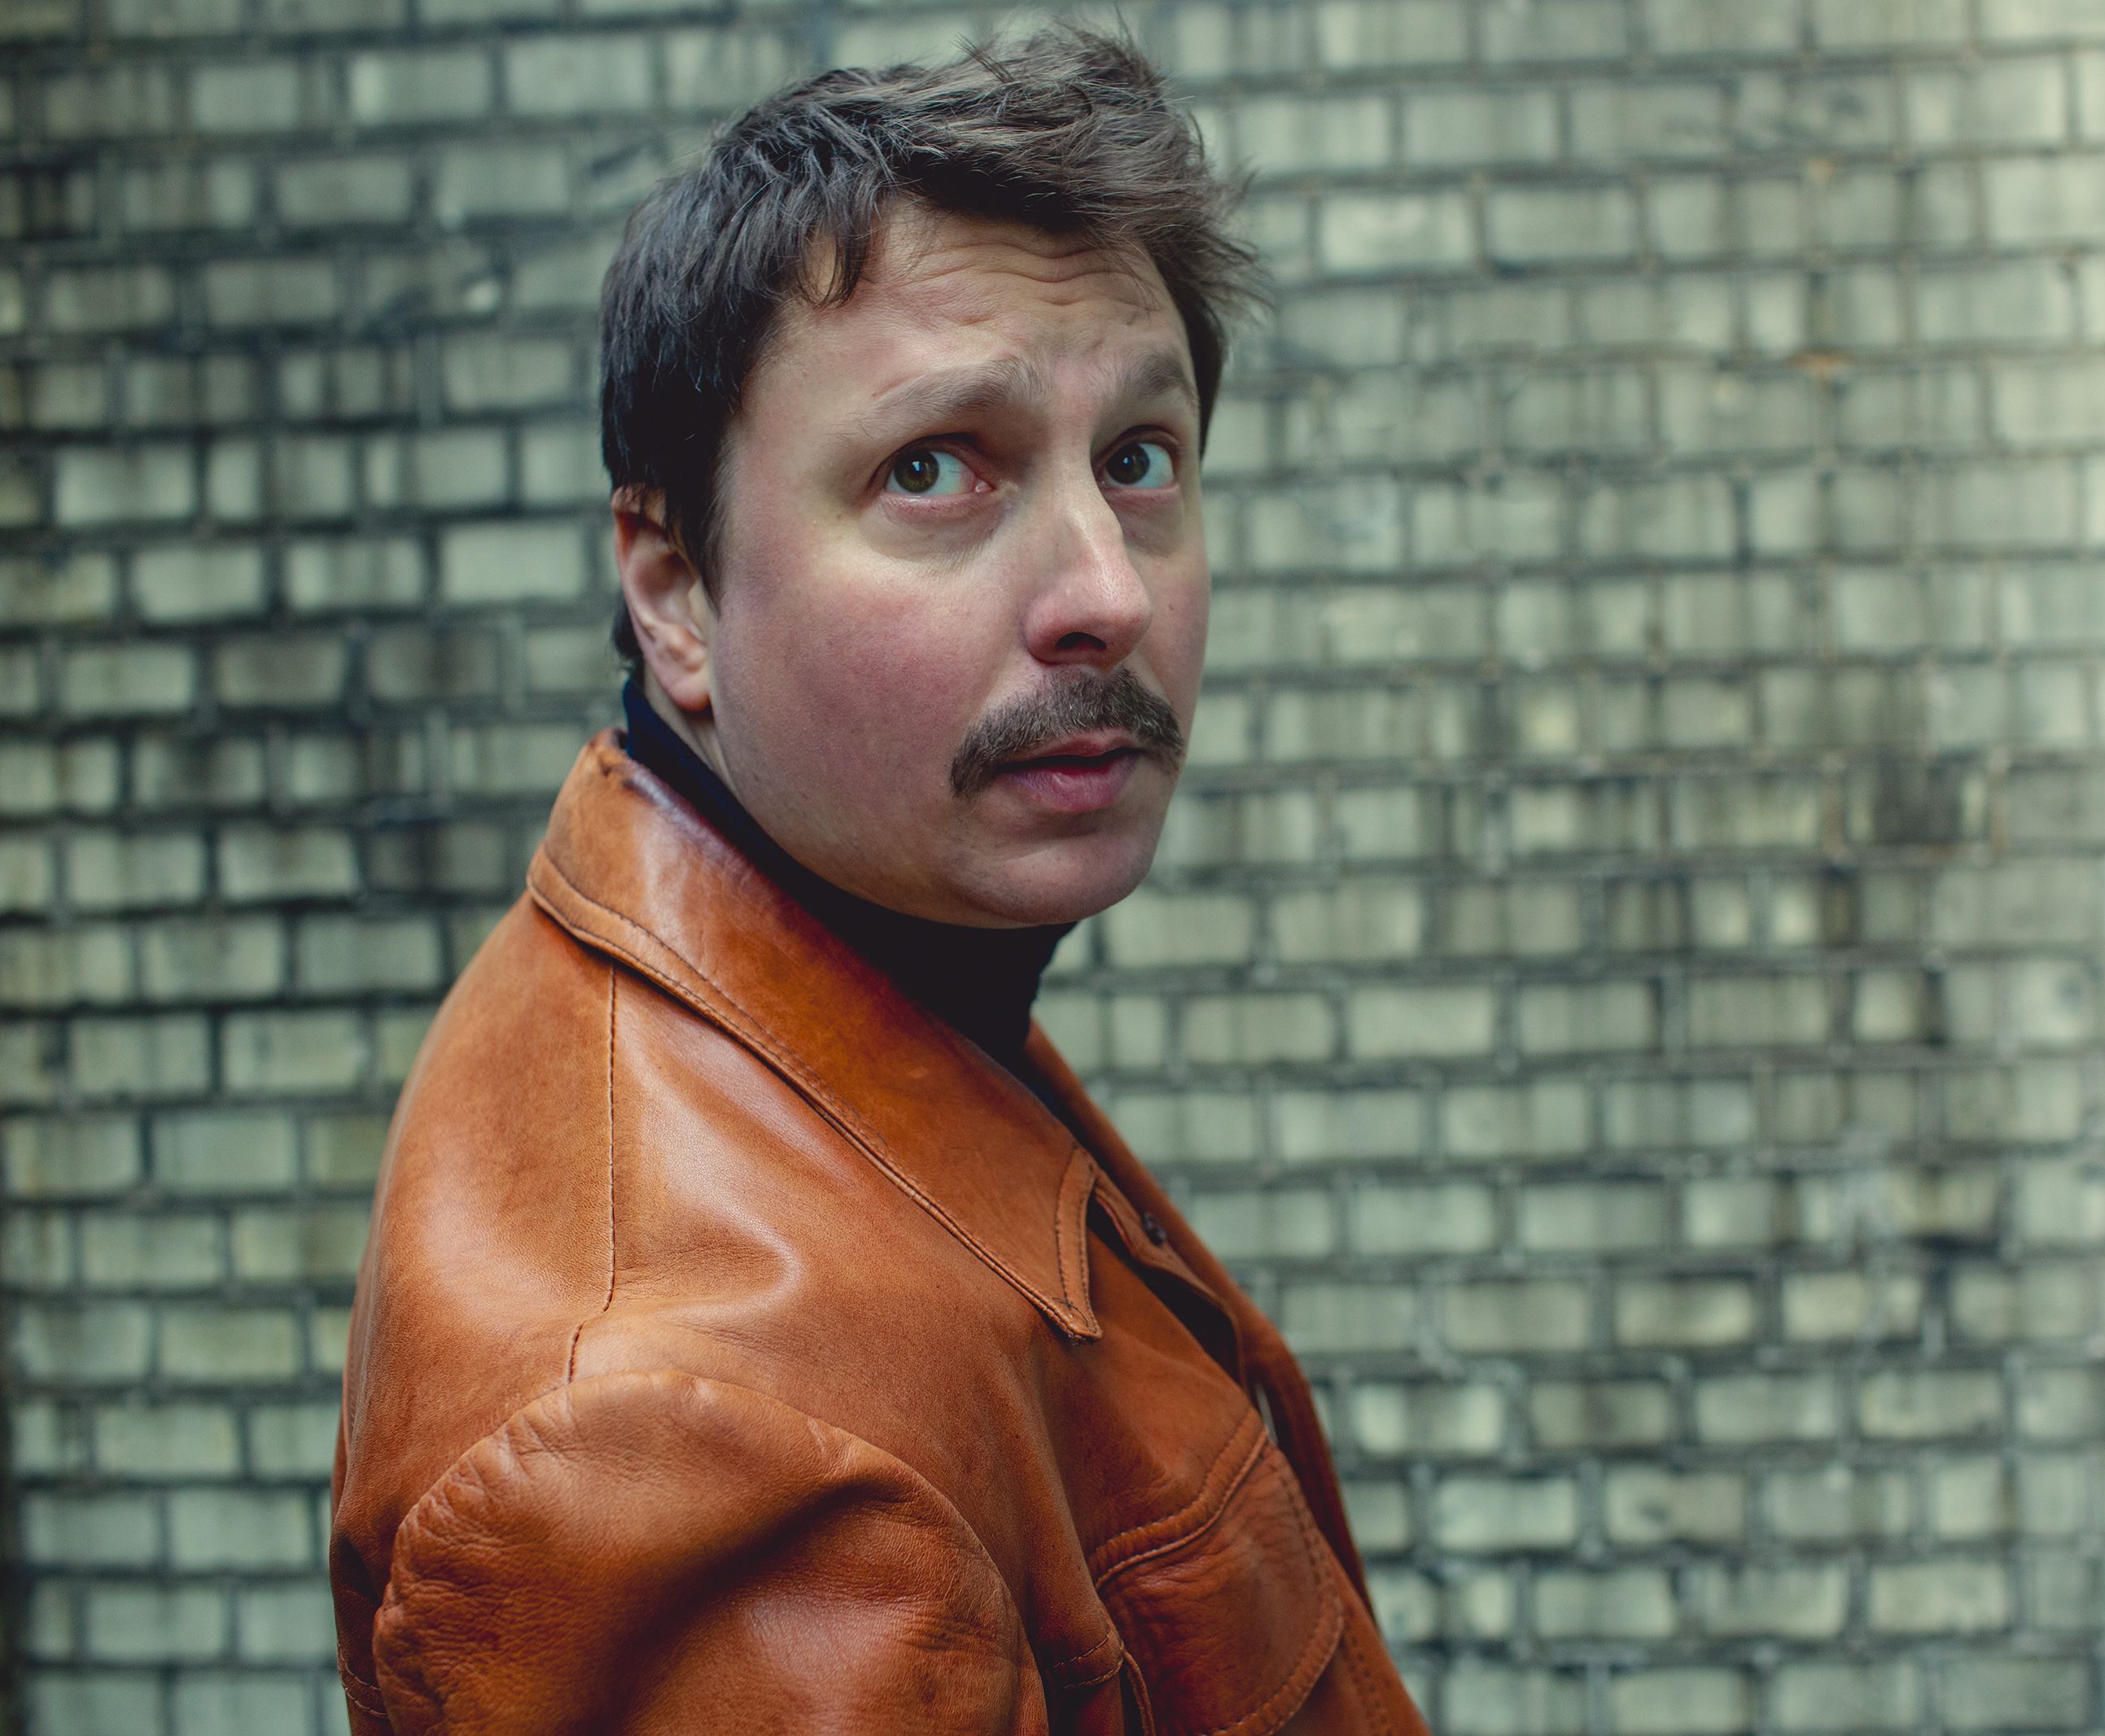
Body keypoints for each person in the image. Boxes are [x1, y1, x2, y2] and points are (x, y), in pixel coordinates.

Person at [328, 27, 1429, 1735]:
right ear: (675, 592)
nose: (1106, 592)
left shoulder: (870, 965)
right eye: (934, 468)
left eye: (1139, 456)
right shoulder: (676, 1448)